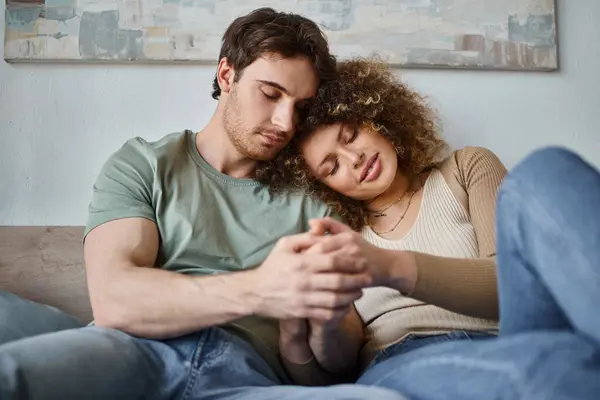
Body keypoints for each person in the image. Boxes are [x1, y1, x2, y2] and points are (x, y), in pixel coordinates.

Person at [0, 10, 406, 400]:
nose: (285, 123)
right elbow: (114, 300)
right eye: (270, 94)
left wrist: (325, 316)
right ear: (227, 74)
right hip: (130, 351)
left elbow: (340, 357)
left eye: (300, 107)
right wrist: (262, 289)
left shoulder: (314, 200)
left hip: (246, 376)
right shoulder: (145, 164)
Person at [259, 58, 600, 399]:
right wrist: (309, 326)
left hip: (511, 336)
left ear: (376, 118)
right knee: (556, 368)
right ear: (324, 187)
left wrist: (389, 267)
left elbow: (512, 286)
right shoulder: (342, 236)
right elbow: (333, 371)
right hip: (406, 359)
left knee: (545, 169)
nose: (354, 160)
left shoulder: (466, 169)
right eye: (332, 168)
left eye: (351, 136)